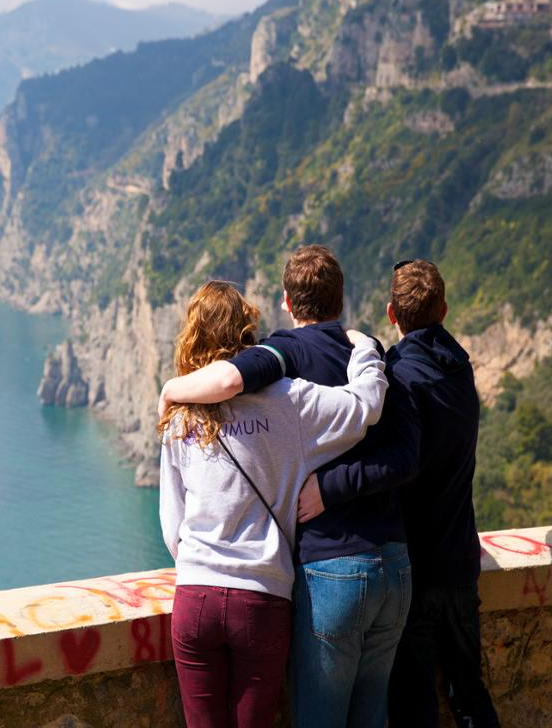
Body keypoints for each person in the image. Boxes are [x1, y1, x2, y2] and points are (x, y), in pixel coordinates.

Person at [159, 246, 420, 728]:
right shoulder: (290, 403)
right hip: (280, 589)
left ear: (286, 301)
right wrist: (367, 349)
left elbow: (172, 528)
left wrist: (171, 389)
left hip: (204, 590)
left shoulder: (181, 417)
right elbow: (368, 411)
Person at [380, 260, 500, 728]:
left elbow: (399, 467)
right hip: (461, 561)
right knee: (470, 696)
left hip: (415, 567)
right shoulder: (462, 372)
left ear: (392, 314)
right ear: (444, 310)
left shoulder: (398, 378)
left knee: (414, 706)